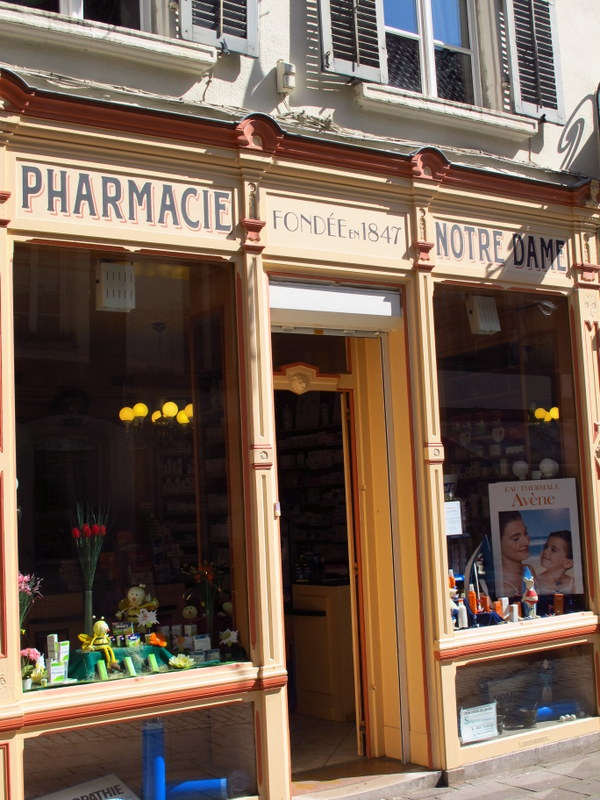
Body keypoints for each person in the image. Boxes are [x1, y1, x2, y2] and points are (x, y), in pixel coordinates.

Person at [498, 510, 533, 598]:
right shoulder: (504, 586)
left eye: (525, 533)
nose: (526, 542)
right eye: (516, 539)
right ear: (499, 543)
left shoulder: (528, 570)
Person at [536, 530, 575, 595]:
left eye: (553, 550)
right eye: (545, 547)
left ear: (568, 563)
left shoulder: (573, 584)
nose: (545, 552)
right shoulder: (535, 581)